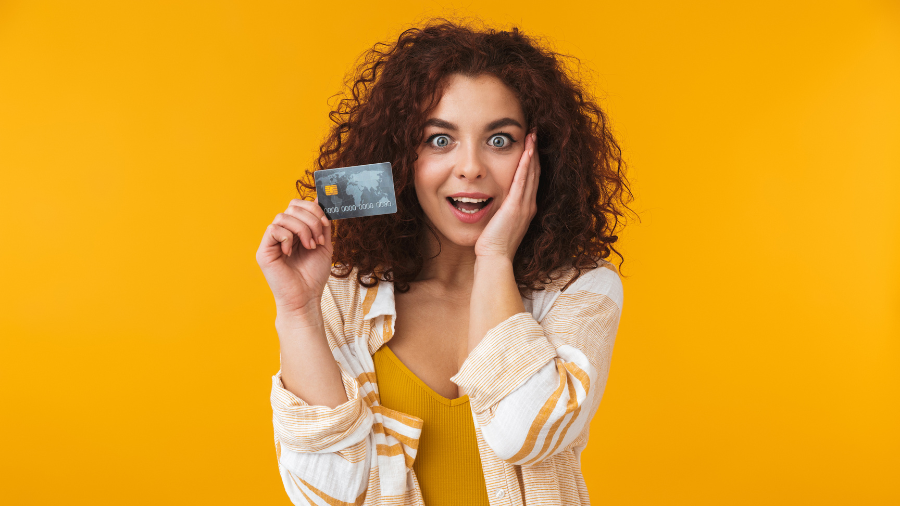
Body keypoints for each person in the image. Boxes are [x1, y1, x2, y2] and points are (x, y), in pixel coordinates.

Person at [256, 18, 634, 506]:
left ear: (541, 157)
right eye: (440, 139)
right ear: (401, 158)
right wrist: (298, 311)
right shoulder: (342, 296)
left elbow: (525, 435)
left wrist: (494, 256)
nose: (471, 166)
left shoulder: (581, 290)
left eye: (500, 140)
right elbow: (326, 496)